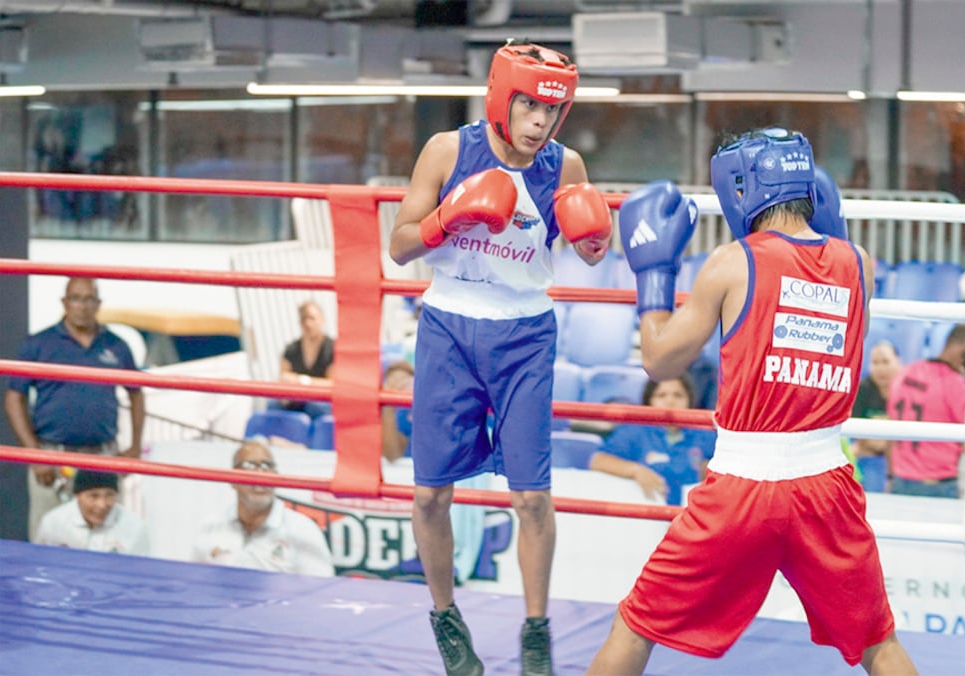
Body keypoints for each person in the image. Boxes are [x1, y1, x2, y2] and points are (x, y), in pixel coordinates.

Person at [587, 128, 915, 675]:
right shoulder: (861, 263)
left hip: (742, 491)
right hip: (827, 486)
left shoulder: (733, 262)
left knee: (637, 623)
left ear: (740, 188)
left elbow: (660, 361)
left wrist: (654, 273)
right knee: (879, 642)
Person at [387, 40, 612, 676]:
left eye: (553, 110)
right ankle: (445, 616)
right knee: (431, 494)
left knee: (533, 498)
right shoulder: (447, 150)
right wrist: (446, 219)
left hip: (524, 336)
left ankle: (535, 631)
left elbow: (592, 251)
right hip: (449, 329)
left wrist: (596, 235)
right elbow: (399, 247)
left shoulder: (565, 167)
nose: (541, 122)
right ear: (501, 97)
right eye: (531, 106)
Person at [4, 277, 145, 539]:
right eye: (76, 298)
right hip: (53, 453)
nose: (82, 306)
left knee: (110, 535)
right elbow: (14, 398)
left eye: (89, 299)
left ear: (98, 303)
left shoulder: (116, 345)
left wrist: (135, 447)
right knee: (48, 536)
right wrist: (35, 454)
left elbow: (137, 393)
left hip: (102, 454)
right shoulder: (39, 344)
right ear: (64, 303)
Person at [191, 440, 334, 577]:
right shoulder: (211, 526)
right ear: (231, 478)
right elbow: (197, 583)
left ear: (277, 476)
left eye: (267, 466)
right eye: (249, 465)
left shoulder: (303, 530)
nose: (259, 474)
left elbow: (322, 592)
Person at [588, 376, 716, 506]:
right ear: (649, 400)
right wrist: (635, 470)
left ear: (689, 401)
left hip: (691, 513)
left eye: (678, 395)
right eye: (661, 395)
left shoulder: (705, 434)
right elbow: (598, 461)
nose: (670, 401)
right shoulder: (634, 431)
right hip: (646, 515)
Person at [886, 324, 965, 499]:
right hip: (936, 483)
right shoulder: (955, 383)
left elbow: (891, 425)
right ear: (963, 350)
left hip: (900, 479)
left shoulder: (905, 373)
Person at [34, 469, 149, 556]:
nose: (102, 505)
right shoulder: (53, 523)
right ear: (77, 496)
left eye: (109, 495)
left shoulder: (134, 527)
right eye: (93, 496)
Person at [274, 300, 335, 419]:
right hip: (295, 401)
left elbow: (334, 384)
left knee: (315, 407)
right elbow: (282, 378)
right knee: (273, 406)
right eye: (303, 319)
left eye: (312, 318)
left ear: (322, 319)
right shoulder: (291, 349)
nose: (307, 323)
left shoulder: (332, 348)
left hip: (321, 401)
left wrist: (302, 381)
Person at [850, 341, 901, 459]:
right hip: (868, 447)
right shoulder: (862, 389)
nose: (880, 368)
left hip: (901, 449)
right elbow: (855, 428)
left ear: (898, 362)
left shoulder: (909, 389)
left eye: (886, 362)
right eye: (875, 363)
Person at [380, 358, 415, 463]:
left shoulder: (421, 409)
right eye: (393, 380)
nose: (397, 386)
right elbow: (392, 456)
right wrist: (388, 408)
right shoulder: (388, 414)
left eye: (402, 380)